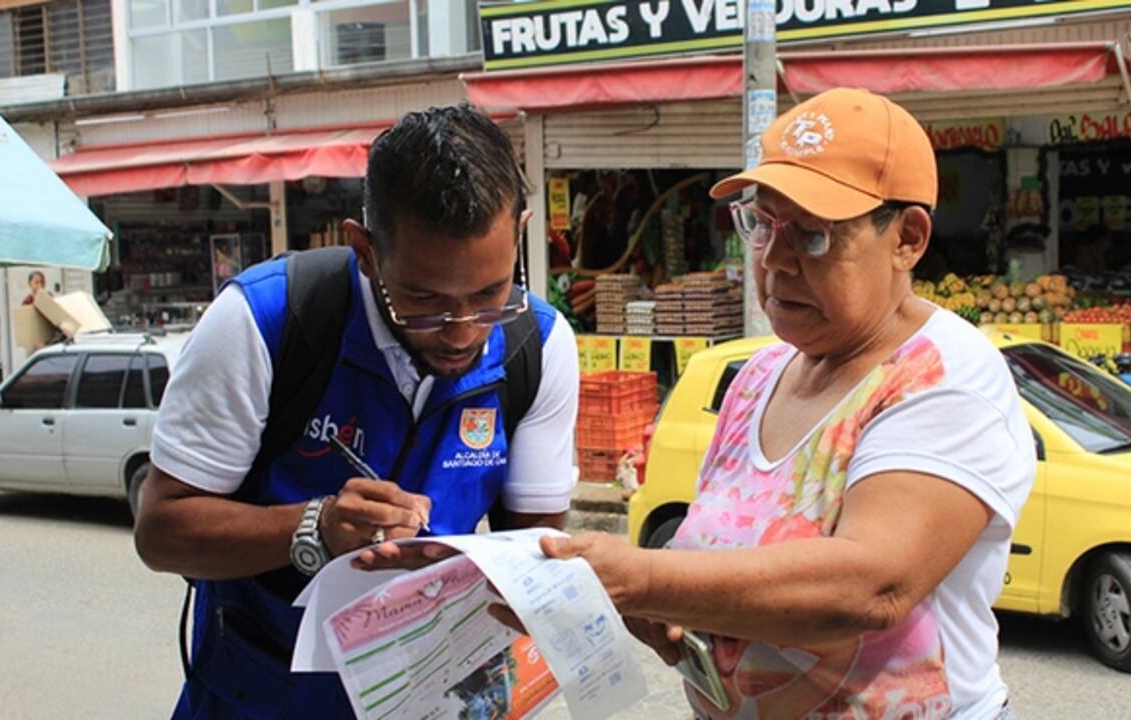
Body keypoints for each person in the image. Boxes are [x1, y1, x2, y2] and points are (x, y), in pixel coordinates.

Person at [499, 89, 1036, 719]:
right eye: (761, 224)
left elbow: (872, 584)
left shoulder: (946, 377)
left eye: (812, 235)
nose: (775, 261)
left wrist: (642, 579)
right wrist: (668, 612)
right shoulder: (759, 374)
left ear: (907, 239)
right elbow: (724, 566)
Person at [134, 104, 580, 719]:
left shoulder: (541, 345)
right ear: (364, 250)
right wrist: (311, 529)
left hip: (431, 695)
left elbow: (531, 550)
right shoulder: (265, 322)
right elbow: (161, 532)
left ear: (521, 235)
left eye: (488, 294)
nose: (460, 333)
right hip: (259, 696)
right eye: (422, 300)